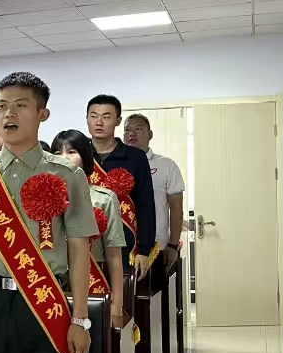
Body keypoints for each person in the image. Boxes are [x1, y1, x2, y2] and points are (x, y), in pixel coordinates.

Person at [0, 72, 97, 353]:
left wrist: (80, 319)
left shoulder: (67, 174)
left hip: (47, 299)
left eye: (21, 105)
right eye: (2, 106)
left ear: (43, 114)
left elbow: (79, 248)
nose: (9, 114)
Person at [52, 130, 125, 317]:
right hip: (52, 285)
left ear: (85, 157)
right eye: (58, 153)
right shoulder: (42, 198)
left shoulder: (104, 199)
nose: (64, 158)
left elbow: (114, 255)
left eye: (71, 152)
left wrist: (117, 304)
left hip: (91, 283)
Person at [87, 95, 156, 281]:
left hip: (124, 246)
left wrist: (144, 250)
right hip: (84, 245)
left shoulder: (135, 157)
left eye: (106, 117)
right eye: (93, 116)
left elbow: (145, 205)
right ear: (87, 119)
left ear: (117, 121)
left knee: (121, 296)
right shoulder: (77, 154)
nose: (99, 122)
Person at [123, 113, 186, 290]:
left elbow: (176, 207)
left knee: (152, 298)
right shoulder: (117, 164)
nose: (132, 133)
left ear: (150, 134)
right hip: (122, 246)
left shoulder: (166, 165)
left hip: (156, 246)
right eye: (127, 130)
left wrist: (173, 245)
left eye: (138, 129)